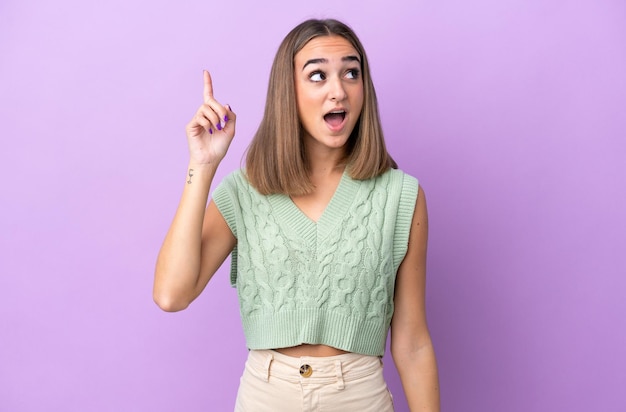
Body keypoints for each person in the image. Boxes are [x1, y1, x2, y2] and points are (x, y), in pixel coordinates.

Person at [154, 18, 440, 411]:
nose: (338, 91)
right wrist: (201, 167)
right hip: (264, 396)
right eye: (317, 75)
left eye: (351, 73)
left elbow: (412, 342)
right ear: (288, 91)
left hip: (360, 398)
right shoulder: (245, 192)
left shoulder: (401, 196)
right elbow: (171, 294)